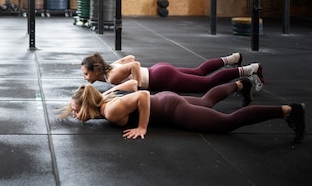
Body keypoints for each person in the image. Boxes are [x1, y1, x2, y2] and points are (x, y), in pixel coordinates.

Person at [60, 78, 306, 144]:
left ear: (88, 106)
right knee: (208, 101)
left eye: (76, 110)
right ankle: (242, 85)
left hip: (172, 111)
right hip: (167, 100)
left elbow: (142, 94)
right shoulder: (101, 101)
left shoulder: (111, 110)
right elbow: (133, 86)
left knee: (227, 123)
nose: (75, 115)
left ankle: (289, 111)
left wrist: (142, 126)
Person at [80, 52, 265, 93]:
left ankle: (251, 69)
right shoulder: (109, 70)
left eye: (86, 74)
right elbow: (128, 58)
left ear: (96, 71)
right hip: (158, 70)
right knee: (199, 71)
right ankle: (232, 58)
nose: (85, 77)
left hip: (162, 78)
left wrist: (135, 84)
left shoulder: (111, 75)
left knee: (207, 84)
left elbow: (134, 63)